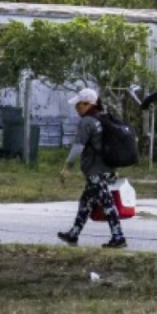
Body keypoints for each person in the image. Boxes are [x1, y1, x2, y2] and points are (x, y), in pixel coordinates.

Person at [57, 88, 127, 249]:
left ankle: (118, 237)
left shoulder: (87, 122)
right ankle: (73, 234)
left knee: (107, 202)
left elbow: (78, 147)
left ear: (87, 104)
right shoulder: (103, 118)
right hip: (107, 167)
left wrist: (68, 167)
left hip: (96, 170)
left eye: (78, 104)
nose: (76, 108)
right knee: (86, 201)